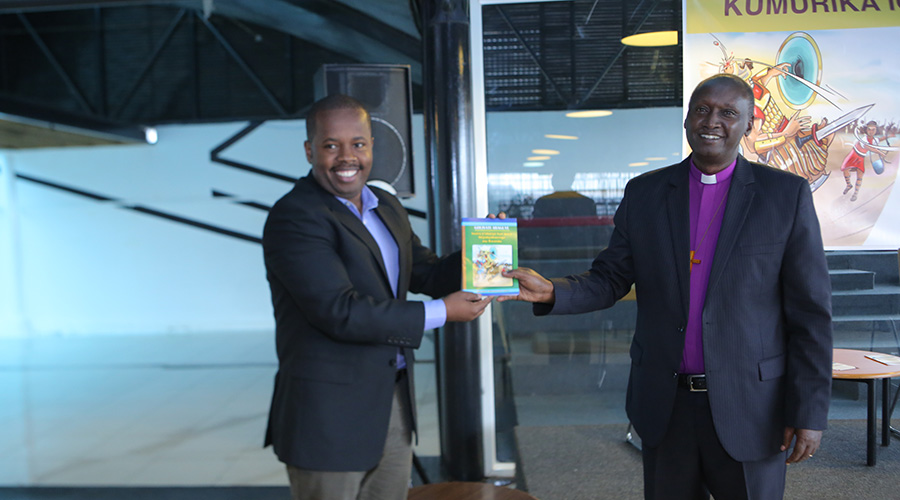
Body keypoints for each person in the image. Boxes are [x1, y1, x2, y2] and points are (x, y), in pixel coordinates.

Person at [500, 74, 833, 500]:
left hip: (751, 405)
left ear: (749, 124)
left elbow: (811, 313)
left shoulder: (784, 196)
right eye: (702, 109)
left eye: (728, 112)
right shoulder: (646, 193)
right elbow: (611, 277)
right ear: (687, 120)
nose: (712, 120)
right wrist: (551, 290)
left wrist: (809, 411)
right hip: (666, 404)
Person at [262, 94, 492, 500]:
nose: (346, 157)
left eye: (358, 144)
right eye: (331, 145)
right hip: (328, 414)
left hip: (392, 400)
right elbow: (339, 311)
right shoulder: (295, 216)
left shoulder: (385, 204)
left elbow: (424, 271)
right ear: (309, 150)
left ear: (371, 146)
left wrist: (482, 253)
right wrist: (442, 313)